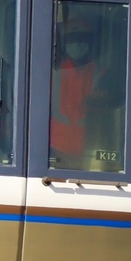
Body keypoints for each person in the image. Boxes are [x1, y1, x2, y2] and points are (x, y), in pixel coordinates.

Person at [50, 17, 99, 163]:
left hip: (91, 148)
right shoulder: (55, 72)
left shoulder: (99, 73)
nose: (77, 44)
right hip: (56, 148)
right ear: (65, 44)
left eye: (82, 39)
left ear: (90, 43)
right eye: (72, 40)